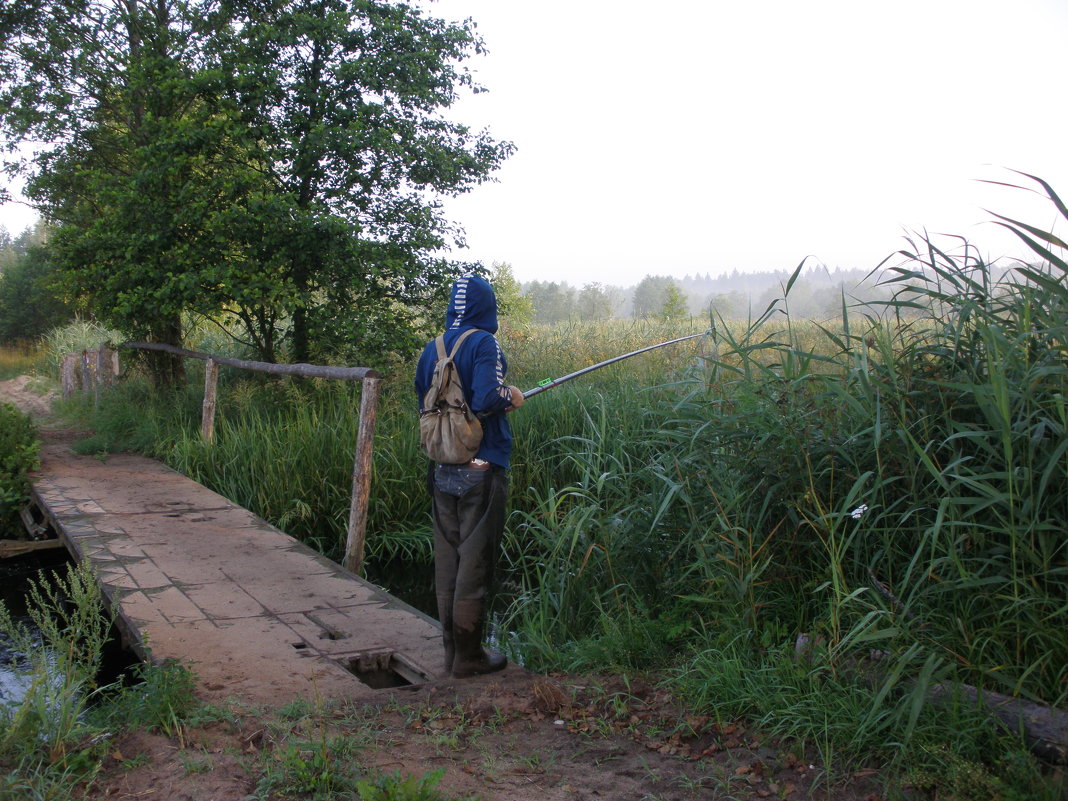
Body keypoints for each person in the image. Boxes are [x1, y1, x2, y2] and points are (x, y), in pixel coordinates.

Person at [414, 274, 524, 678]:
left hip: (442, 468)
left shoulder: (433, 348)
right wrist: (511, 395)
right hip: (481, 467)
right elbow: (486, 398)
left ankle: (451, 653)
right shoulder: (485, 343)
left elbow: (422, 399)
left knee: (449, 561)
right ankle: (470, 657)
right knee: (475, 563)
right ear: (486, 306)